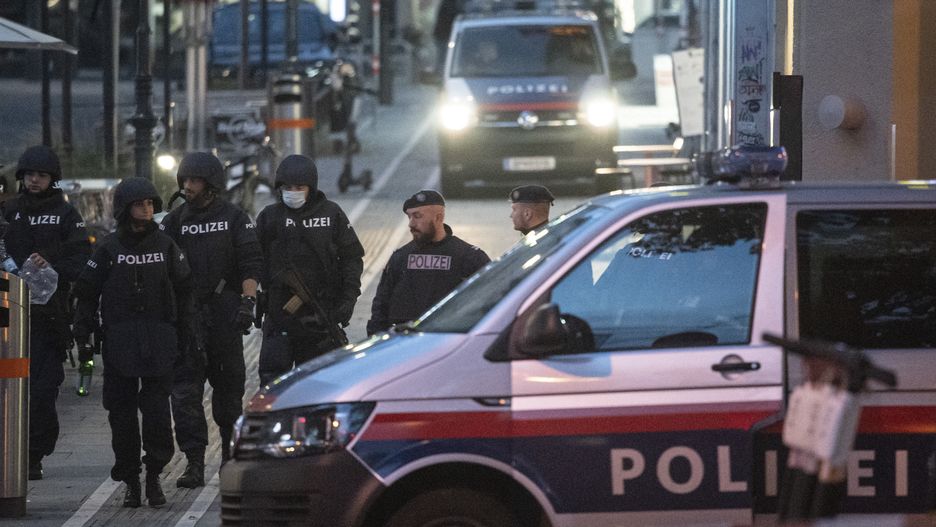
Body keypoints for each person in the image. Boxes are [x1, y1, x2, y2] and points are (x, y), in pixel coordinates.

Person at [71, 177, 192, 508]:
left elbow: (185, 291)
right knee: (121, 417)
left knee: (157, 416)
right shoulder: (109, 248)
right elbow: (86, 291)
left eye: (151, 204)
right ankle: (130, 480)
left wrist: (186, 335)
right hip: (120, 343)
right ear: (126, 209)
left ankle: (153, 475)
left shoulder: (165, 245)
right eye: (140, 204)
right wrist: (83, 333)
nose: (147, 209)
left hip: (159, 341)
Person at [161, 152, 263, 486]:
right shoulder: (174, 221)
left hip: (224, 317)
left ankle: (230, 458)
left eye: (195, 180)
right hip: (186, 321)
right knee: (185, 397)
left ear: (211, 184)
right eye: (185, 180)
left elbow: (250, 263)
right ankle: (194, 462)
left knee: (229, 395)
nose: (188, 186)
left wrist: (247, 302)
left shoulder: (234, 218)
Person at [1, 145, 91, 481]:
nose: (34, 180)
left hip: (48, 317)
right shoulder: (9, 211)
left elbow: (81, 259)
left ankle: (33, 454)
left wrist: (51, 263)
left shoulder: (66, 214)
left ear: (52, 178)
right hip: (8, 316)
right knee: (8, 390)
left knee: (42, 391)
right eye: (29, 175)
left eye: (41, 175)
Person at [255, 155, 364, 385]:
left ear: (311, 188)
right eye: (287, 188)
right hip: (279, 316)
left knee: (319, 383)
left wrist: (348, 299)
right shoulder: (270, 217)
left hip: (320, 315)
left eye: (299, 188)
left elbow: (352, 258)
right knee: (274, 383)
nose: (292, 193)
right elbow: (253, 260)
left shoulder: (331, 214)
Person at [367, 190, 490, 335]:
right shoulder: (401, 257)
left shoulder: (470, 258)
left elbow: (490, 303)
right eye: (409, 217)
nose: (411, 223)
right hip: (404, 340)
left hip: (448, 340)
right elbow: (381, 306)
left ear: (438, 217)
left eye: (417, 216)